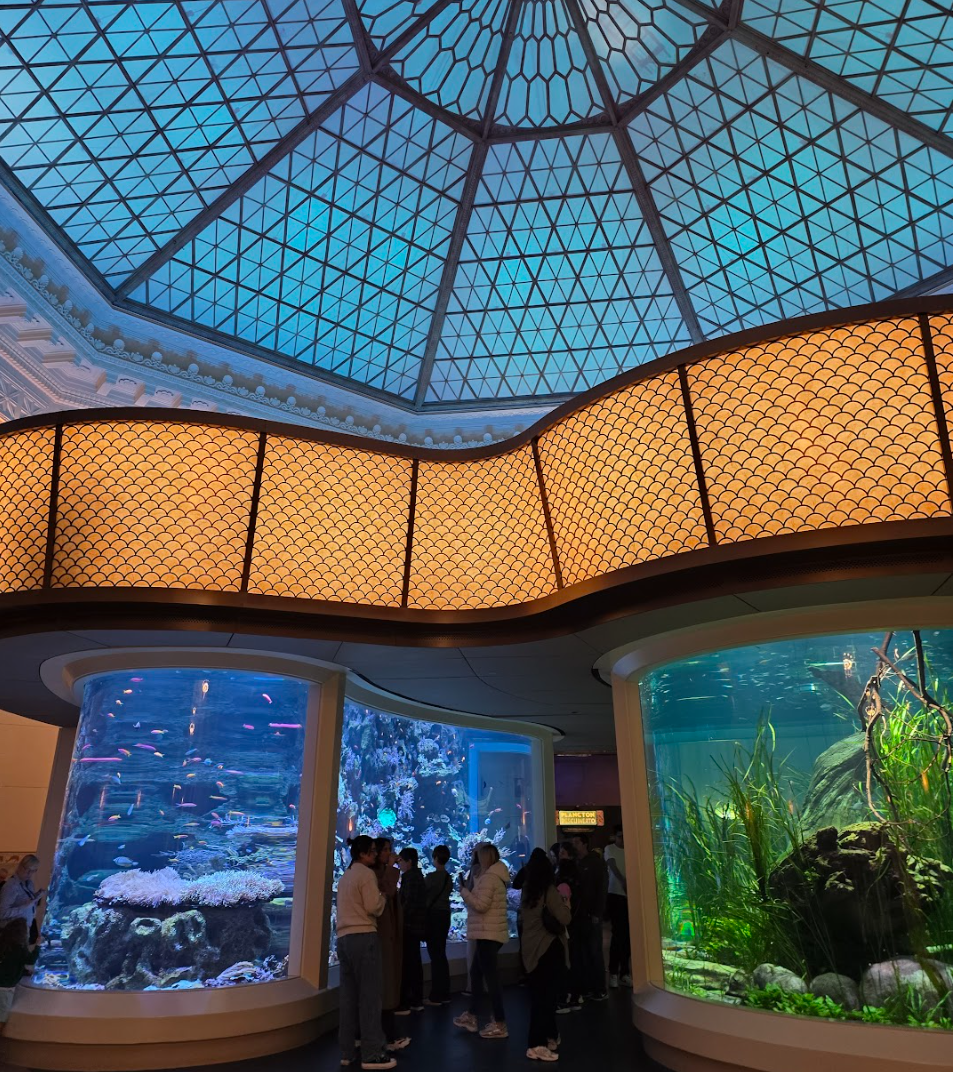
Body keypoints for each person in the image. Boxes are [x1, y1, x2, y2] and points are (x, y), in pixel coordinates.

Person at [335, 836, 394, 1070]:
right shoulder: (366, 875)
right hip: (364, 936)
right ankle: (372, 1054)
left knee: (348, 998)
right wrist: (384, 898)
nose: (375, 854)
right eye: (372, 851)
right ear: (362, 853)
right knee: (370, 997)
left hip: (343, 939)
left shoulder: (345, 877)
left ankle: (348, 1051)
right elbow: (373, 907)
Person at [453, 842, 511, 1039]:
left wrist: (464, 891)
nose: (475, 858)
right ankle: (473, 1014)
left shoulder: (490, 878)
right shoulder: (495, 876)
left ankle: (500, 1023)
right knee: (477, 974)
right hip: (489, 932)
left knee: (490, 979)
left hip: (488, 933)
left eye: (478, 855)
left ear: (485, 857)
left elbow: (481, 905)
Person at [520, 849, 570, 1062]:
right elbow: (565, 918)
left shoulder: (527, 890)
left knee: (539, 997)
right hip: (547, 949)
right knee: (545, 999)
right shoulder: (549, 891)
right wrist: (566, 903)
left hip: (530, 949)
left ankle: (550, 1036)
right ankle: (536, 1044)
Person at [372, 838, 410, 1050]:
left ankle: (384, 1033)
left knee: (387, 982)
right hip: (381, 934)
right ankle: (388, 1036)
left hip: (390, 933)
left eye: (390, 849)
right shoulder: (375, 874)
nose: (389, 853)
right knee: (384, 984)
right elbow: (387, 890)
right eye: (385, 850)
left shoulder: (381, 872)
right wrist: (390, 868)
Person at [572, 832, 608, 1001]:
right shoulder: (576, 863)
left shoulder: (595, 863)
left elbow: (601, 889)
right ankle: (588, 986)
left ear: (585, 844)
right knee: (583, 951)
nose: (574, 845)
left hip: (591, 914)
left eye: (577, 842)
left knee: (594, 950)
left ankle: (599, 988)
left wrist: (597, 913)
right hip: (579, 915)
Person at [397, 848, 426, 1012]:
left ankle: (410, 1000)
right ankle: (416, 999)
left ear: (409, 862)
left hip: (410, 926)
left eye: (401, 860)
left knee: (409, 963)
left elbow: (409, 903)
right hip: (416, 926)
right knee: (414, 962)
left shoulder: (410, 877)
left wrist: (401, 918)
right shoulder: (416, 876)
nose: (399, 863)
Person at [423, 845, 452, 1005]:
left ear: (435, 858)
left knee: (435, 954)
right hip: (445, 915)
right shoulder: (448, 877)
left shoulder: (431, 877)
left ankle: (436, 995)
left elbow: (424, 894)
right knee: (441, 953)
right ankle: (445, 992)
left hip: (433, 916)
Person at [604, 825, 631, 987]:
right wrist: (623, 881)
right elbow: (612, 865)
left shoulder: (631, 849)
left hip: (630, 897)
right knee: (618, 933)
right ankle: (614, 971)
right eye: (620, 836)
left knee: (628, 935)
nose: (622, 840)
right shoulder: (610, 849)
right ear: (615, 836)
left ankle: (624, 972)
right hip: (615, 895)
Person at [0, 856, 43, 934]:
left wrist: (37, 896)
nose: (29, 873)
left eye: (33, 870)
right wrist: (24, 907)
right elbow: (2, 913)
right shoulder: (11, 886)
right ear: (20, 866)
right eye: (26, 869)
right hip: (11, 933)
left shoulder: (29, 883)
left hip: (24, 931)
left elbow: (28, 903)